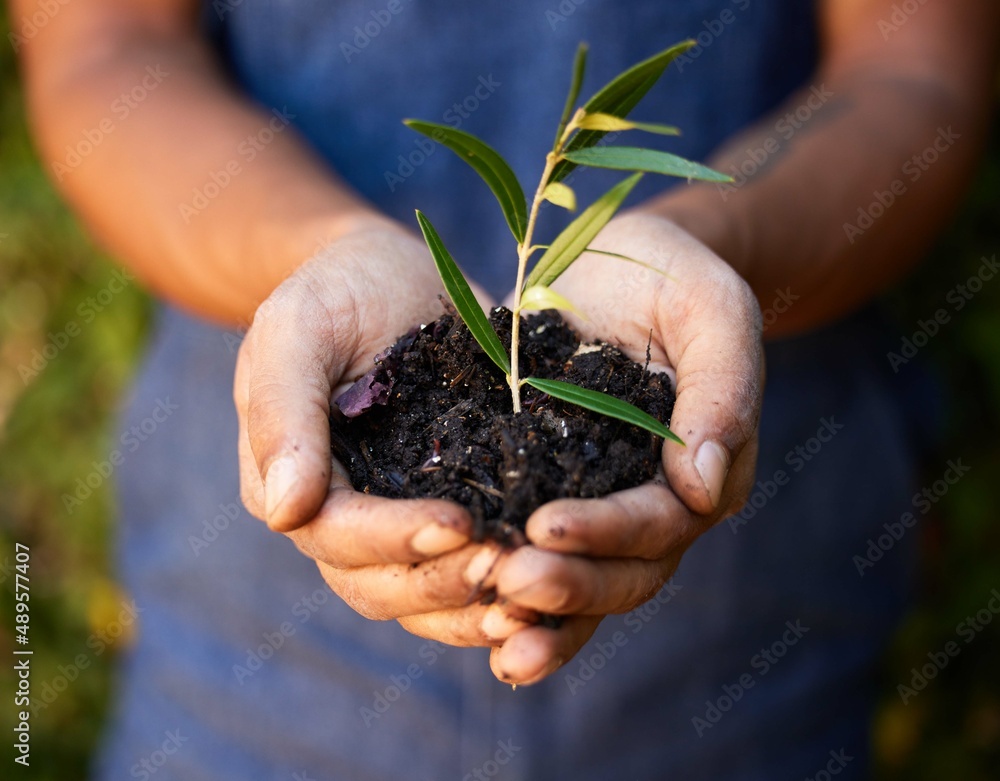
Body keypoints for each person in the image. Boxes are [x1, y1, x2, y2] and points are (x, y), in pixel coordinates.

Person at [14, 0, 997, 778]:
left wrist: (711, 246)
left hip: (746, 640)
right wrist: (315, 256)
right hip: (254, 665)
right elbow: (108, 50)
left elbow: (913, 71)